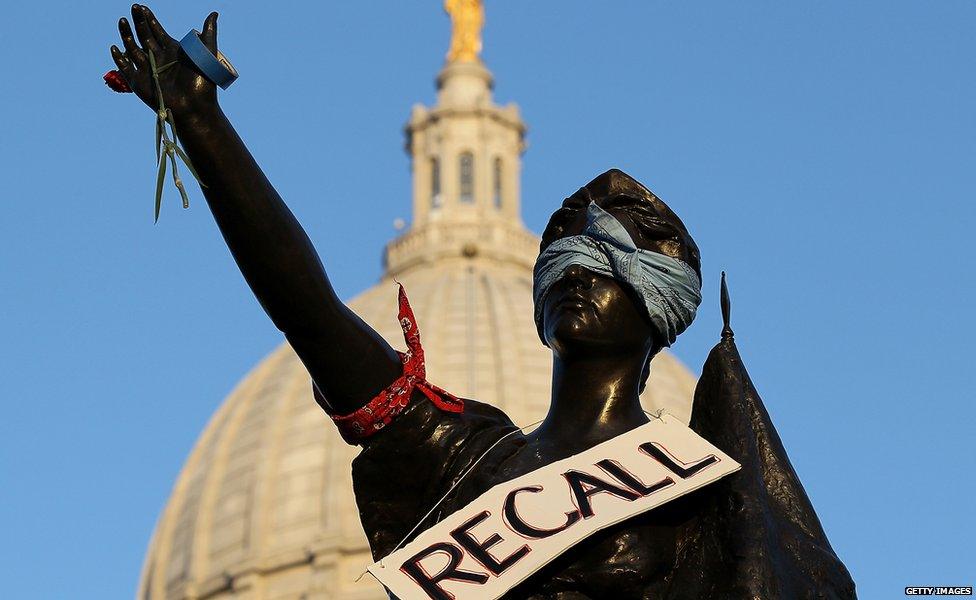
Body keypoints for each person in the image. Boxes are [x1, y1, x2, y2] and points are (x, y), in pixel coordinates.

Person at [110, 7, 855, 598]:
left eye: (605, 261)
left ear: (658, 311)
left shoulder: (704, 494)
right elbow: (308, 313)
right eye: (562, 255)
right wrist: (201, 127)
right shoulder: (466, 464)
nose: (576, 274)